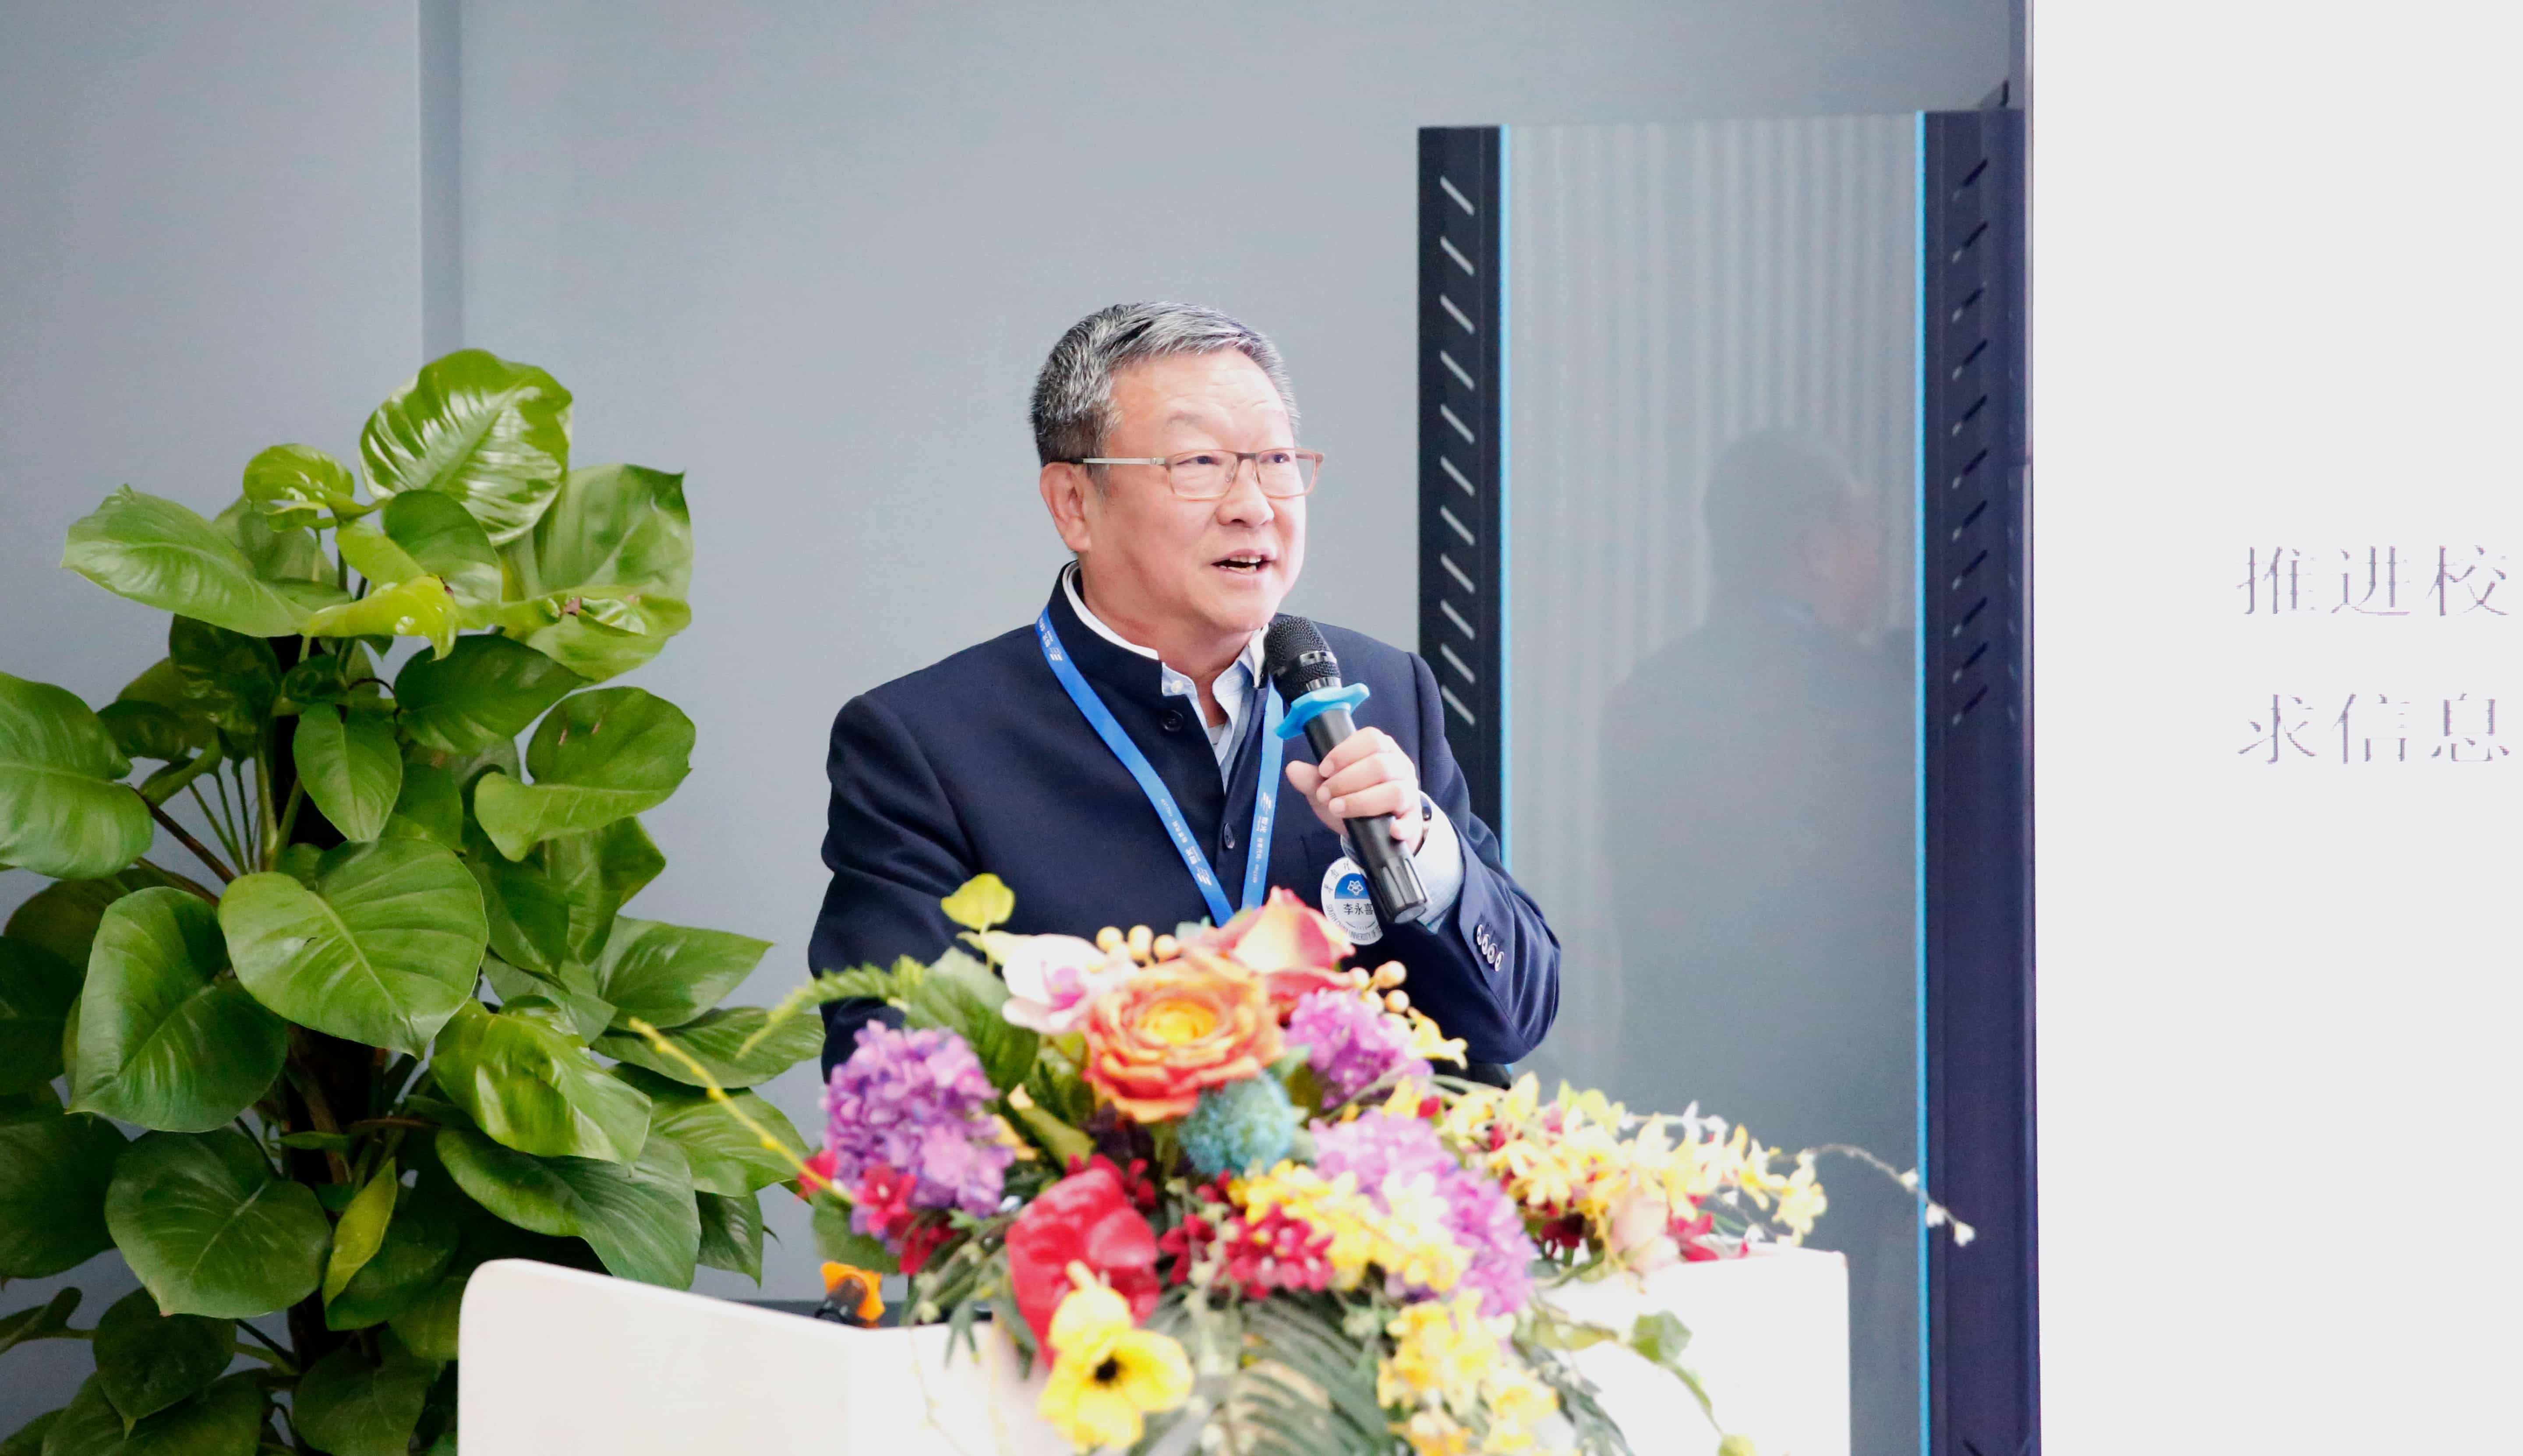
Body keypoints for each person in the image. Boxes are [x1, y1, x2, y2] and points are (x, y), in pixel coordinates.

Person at [812, 301, 1559, 1079]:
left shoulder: (1383, 690)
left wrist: (1425, 854)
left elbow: (1513, 1021)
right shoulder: (926, 744)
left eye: (1276, 460)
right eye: (1199, 464)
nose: (1254, 506)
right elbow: (892, 1078)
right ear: (1074, 504)